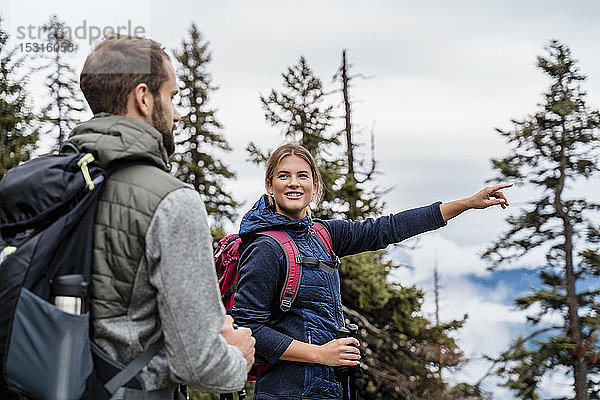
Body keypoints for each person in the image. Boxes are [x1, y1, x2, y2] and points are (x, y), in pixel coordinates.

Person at [230, 143, 511, 399]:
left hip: (332, 388)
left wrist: (466, 203)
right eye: (284, 176)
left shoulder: (323, 234)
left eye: (302, 176)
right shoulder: (266, 247)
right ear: (270, 183)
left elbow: (386, 228)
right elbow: (248, 327)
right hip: (286, 392)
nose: (294, 183)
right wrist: (321, 354)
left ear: (314, 184)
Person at [63, 35, 254, 395]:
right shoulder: (172, 201)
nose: (177, 113)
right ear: (144, 97)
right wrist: (238, 358)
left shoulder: (53, 183)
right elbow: (201, 365)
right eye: (172, 97)